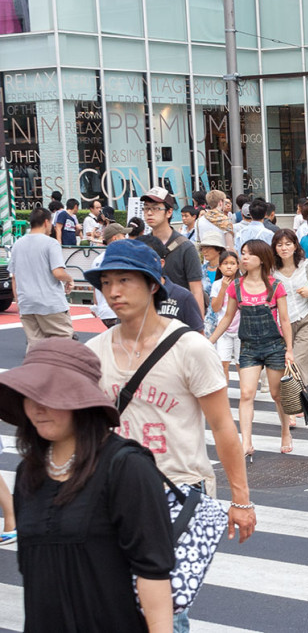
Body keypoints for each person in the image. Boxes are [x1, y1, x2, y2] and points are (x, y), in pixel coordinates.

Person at [83, 239, 256, 631]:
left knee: (165, 613)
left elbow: (223, 426)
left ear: (153, 284)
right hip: (112, 494)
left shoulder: (190, 348)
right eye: (106, 281)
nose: (113, 291)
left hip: (176, 492)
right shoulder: (93, 352)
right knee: (117, 607)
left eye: (125, 280)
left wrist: (241, 501)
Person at [1, 338, 175, 633]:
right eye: (31, 396)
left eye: (50, 397)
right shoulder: (29, 472)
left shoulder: (126, 466)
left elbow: (153, 573)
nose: (37, 408)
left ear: (79, 401)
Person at [208, 239, 295, 456]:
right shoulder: (236, 286)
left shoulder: (276, 286)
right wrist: (209, 342)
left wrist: (289, 350)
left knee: (277, 394)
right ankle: (246, 441)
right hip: (248, 346)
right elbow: (227, 318)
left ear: (262, 259)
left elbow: (285, 320)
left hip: (274, 345)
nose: (244, 258)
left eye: (249, 254)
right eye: (243, 253)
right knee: (247, 393)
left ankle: (285, 431)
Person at [273, 229, 308, 393]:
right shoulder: (271, 270)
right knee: (290, 362)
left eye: (288, 244)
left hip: (305, 319)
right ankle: (300, 399)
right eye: (280, 245)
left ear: (295, 246)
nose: (284, 248)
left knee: (299, 359)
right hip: (282, 323)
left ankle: (303, 398)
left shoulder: (307, 266)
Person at [9, 208, 75, 346]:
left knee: (35, 345)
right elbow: (58, 273)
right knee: (62, 343)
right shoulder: (51, 243)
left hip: (27, 303)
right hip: (50, 303)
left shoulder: (17, 245)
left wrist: (19, 302)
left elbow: (14, 277)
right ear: (46, 222)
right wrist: (70, 279)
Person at [138, 187, 204, 315]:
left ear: (169, 212)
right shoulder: (141, 246)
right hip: (150, 319)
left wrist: (198, 327)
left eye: (156, 208)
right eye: (146, 208)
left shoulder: (186, 247)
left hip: (179, 318)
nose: (149, 213)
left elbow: (196, 290)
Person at [209, 250, 241, 382]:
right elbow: (215, 308)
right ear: (219, 267)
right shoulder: (217, 284)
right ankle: (224, 394)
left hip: (240, 330)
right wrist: (223, 288)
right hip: (223, 331)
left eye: (232, 263)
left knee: (241, 364)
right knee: (223, 364)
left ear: (238, 266)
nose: (229, 266)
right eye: (225, 263)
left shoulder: (242, 282)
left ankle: (245, 393)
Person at [89, 224, 129, 329]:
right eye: (123, 235)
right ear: (115, 238)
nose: (125, 238)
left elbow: (95, 286)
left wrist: (96, 305)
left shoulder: (97, 260)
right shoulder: (119, 258)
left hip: (105, 311)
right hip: (118, 309)